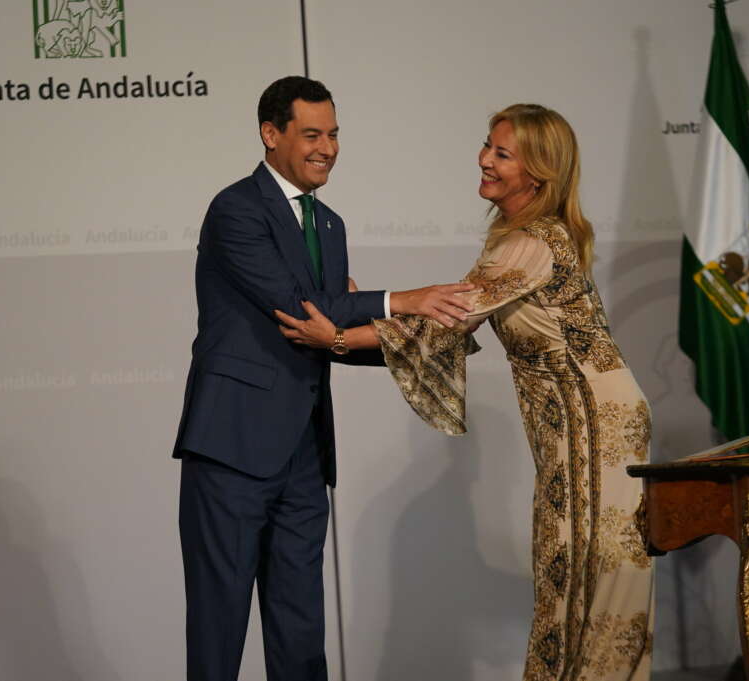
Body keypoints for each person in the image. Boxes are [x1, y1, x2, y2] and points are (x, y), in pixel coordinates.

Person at [276, 103, 654, 680]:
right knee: (571, 566)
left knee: (585, 572)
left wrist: (339, 335)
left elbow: (448, 320)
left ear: (537, 175)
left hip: (593, 422)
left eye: (503, 154)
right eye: (487, 145)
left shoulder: (532, 242)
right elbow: (445, 321)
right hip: (580, 420)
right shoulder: (519, 238)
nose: (484, 160)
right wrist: (352, 320)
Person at [173, 75, 474, 681]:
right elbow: (299, 308)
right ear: (271, 133)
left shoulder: (329, 224)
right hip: (232, 448)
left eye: (334, 134)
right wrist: (403, 300)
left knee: (301, 630)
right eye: (312, 134)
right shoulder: (235, 209)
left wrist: (431, 339)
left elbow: (328, 336)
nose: (328, 148)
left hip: (305, 456)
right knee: (219, 628)